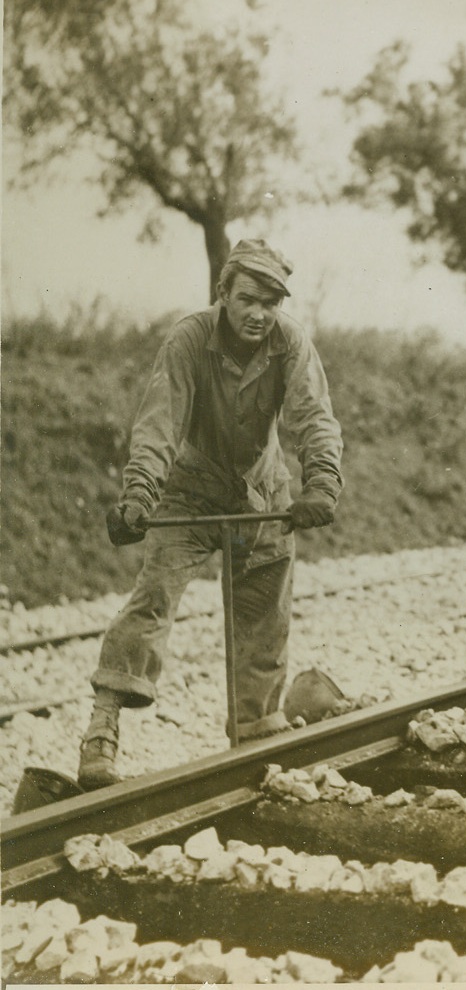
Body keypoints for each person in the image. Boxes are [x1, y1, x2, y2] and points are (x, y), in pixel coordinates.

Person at [77, 239, 344, 790]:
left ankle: (255, 739)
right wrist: (139, 496)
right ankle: (102, 729)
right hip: (191, 492)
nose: (259, 314)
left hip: (262, 496)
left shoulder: (290, 342)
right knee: (153, 598)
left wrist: (320, 483)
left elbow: (314, 416)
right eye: (248, 299)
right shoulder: (189, 339)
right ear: (222, 293)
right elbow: (159, 423)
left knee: (266, 621)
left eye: (271, 303)